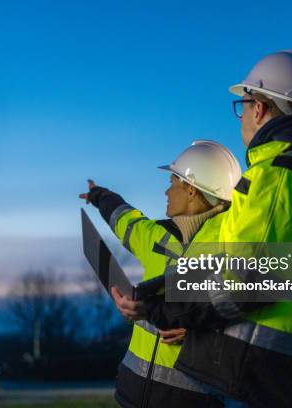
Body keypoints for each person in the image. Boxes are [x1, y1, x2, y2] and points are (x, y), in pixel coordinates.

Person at [112, 50, 292, 408]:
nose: (242, 118)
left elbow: (241, 281)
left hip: (257, 376)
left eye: (243, 105)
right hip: (257, 370)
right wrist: (154, 293)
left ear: (260, 108)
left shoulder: (280, 175)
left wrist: (157, 309)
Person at [79, 140, 241, 408]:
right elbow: (124, 219)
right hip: (132, 392)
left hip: (192, 400)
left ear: (191, 190)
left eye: (172, 183)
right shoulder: (156, 235)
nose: (166, 191)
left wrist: (199, 334)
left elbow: (252, 318)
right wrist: (100, 195)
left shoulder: (234, 247)